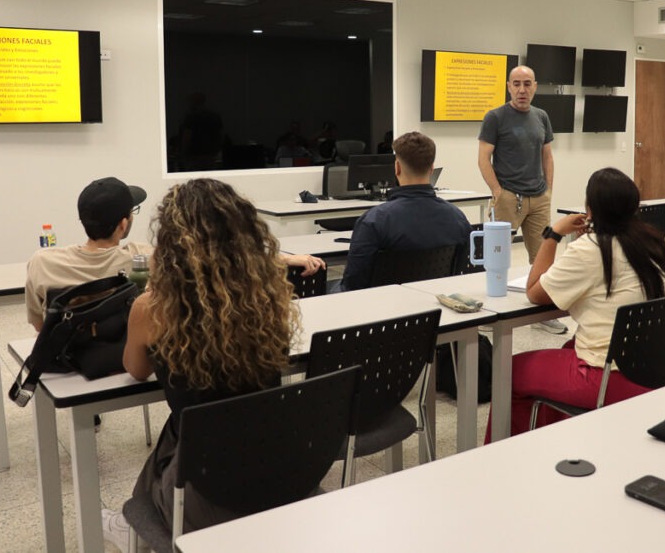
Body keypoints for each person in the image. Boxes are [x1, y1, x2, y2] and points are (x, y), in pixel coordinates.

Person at [115, 178, 299, 546]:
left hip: (203, 492)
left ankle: (128, 527)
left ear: (169, 245)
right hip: (282, 473)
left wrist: (154, 287)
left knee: (172, 441)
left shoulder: (153, 309)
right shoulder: (269, 299)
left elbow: (136, 369)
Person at [485, 168, 665, 440]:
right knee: (569, 347)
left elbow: (534, 292)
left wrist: (553, 234)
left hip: (612, 377)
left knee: (509, 370)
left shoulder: (592, 248)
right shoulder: (652, 243)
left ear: (590, 210)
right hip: (664, 368)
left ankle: (505, 453)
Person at [478, 65, 562, 334]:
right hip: (508, 197)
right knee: (496, 259)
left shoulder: (541, 116)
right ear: (508, 86)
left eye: (527, 84)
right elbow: (483, 158)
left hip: (539, 197)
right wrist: (497, 191)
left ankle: (541, 313)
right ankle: (489, 314)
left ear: (535, 86)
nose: (522, 90)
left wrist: (548, 190)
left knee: (542, 258)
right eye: (516, 84)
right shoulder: (495, 117)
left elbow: (547, 156)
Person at [337, 131, 472, 292]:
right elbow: (461, 272)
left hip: (382, 304)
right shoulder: (457, 218)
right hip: (434, 302)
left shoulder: (374, 221)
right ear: (431, 169)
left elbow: (353, 284)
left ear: (397, 168)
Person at [25, 177, 151, 331]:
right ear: (123, 224)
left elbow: (40, 326)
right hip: (125, 346)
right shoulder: (143, 257)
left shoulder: (42, 263)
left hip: (65, 346)